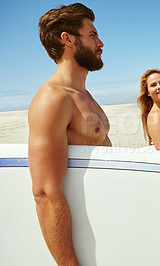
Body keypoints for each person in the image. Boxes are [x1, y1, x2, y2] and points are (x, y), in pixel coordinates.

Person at [28, 3, 111, 265]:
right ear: (68, 40)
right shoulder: (52, 99)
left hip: (104, 224)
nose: (100, 43)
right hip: (84, 237)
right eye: (92, 35)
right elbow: (45, 192)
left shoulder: (83, 95)